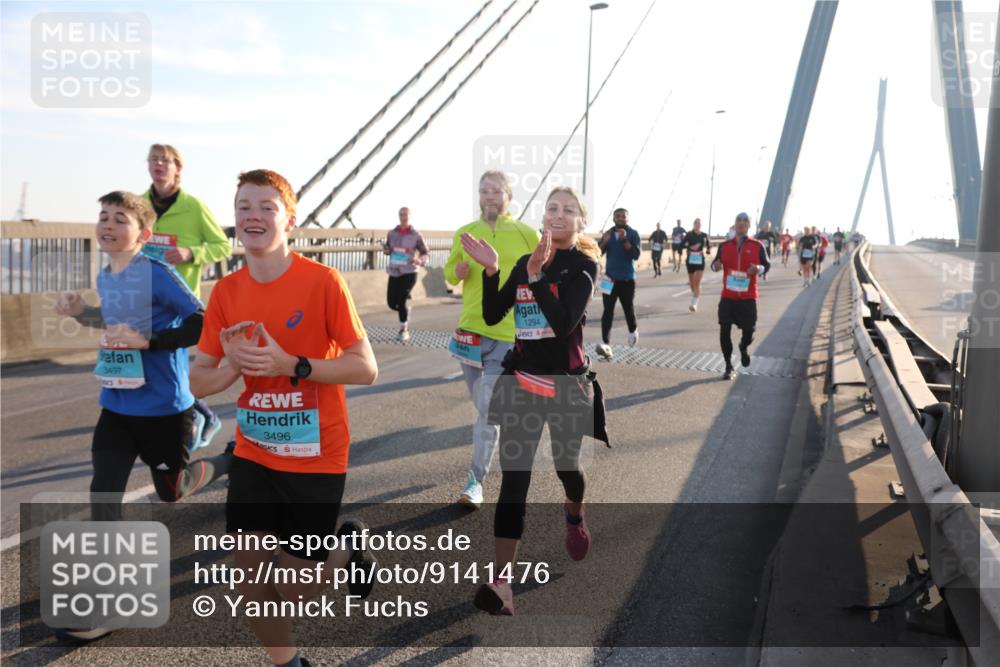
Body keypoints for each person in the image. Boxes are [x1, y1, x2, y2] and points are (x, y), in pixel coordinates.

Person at [189, 169, 379, 667]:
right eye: (243, 207)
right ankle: (289, 663)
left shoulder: (323, 282)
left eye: (266, 207)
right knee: (249, 577)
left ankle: (345, 552)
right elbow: (199, 381)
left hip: (316, 456)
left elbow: (365, 368)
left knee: (295, 589)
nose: (252, 216)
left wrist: (291, 364)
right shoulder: (225, 292)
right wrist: (234, 365)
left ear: (289, 220)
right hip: (255, 451)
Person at [53, 191, 233, 643]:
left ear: (144, 234)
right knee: (103, 495)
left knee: (171, 491)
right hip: (116, 404)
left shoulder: (157, 273)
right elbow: (113, 319)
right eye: (103, 217)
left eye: (120, 219)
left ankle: (229, 461)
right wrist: (82, 314)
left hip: (163, 408)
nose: (108, 225)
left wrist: (148, 341)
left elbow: (201, 322)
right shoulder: (106, 274)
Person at [459, 186, 606, 615]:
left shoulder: (584, 267)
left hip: (565, 388)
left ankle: (574, 514)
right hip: (522, 384)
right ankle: (502, 582)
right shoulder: (526, 262)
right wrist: (492, 270)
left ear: (580, 221)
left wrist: (538, 277)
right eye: (551, 208)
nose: (557, 214)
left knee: (567, 469)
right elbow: (493, 314)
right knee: (514, 481)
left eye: (568, 210)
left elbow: (563, 325)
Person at [444, 171, 540, 509]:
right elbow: (449, 271)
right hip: (469, 334)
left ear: (509, 197)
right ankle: (488, 448)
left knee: (487, 409)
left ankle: (475, 481)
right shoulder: (465, 233)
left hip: (506, 334)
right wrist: (456, 272)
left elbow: (541, 274)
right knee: (483, 407)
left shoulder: (527, 233)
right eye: (484, 190)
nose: (489, 196)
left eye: (496, 191)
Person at [143, 144, 233, 451]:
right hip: (143, 302)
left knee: (173, 370)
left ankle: (200, 418)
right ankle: (193, 418)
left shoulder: (193, 206)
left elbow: (223, 246)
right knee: (151, 370)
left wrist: (190, 253)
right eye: (153, 159)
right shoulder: (138, 205)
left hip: (180, 307)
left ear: (177, 168)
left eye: (165, 160)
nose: (158, 164)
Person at [711, 212, 770, 380]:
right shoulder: (724, 246)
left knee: (749, 332)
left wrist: (758, 269)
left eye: (745, 221)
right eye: (739, 220)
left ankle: (743, 347)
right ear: (734, 224)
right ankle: (728, 366)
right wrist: (716, 266)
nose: (741, 223)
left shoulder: (757, 245)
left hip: (747, 298)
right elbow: (715, 264)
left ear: (749, 226)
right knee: (724, 331)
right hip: (728, 297)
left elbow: (766, 265)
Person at [595, 208, 641, 360]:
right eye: (618, 216)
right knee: (607, 311)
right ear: (613, 218)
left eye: (623, 216)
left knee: (628, 308)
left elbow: (636, 255)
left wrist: (624, 240)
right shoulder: (608, 233)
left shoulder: (633, 234)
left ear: (627, 218)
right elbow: (598, 253)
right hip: (609, 279)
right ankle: (605, 344)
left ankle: (633, 330)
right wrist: (604, 241)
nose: (620, 218)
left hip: (627, 279)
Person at [383, 206, 429, 341]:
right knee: (392, 303)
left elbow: (425, 253)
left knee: (401, 300)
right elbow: (388, 249)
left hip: (410, 271)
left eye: (405, 214)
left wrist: (420, 260)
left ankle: (404, 330)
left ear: (410, 216)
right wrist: (386, 251)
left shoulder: (416, 235)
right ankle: (405, 311)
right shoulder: (391, 234)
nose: (403, 217)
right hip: (394, 271)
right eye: (401, 214)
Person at [683, 218, 711, 312]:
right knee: (692, 284)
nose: (697, 224)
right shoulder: (689, 234)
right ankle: (696, 293)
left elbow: (708, 244)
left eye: (699, 223)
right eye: (696, 223)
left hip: (700, 260)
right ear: (693, 224)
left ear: (701, 225)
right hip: (690, 260)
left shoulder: (704, 235)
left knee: (697, 282)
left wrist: (708, 250)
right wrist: (689, 247)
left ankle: (694, 303)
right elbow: (683, 244)